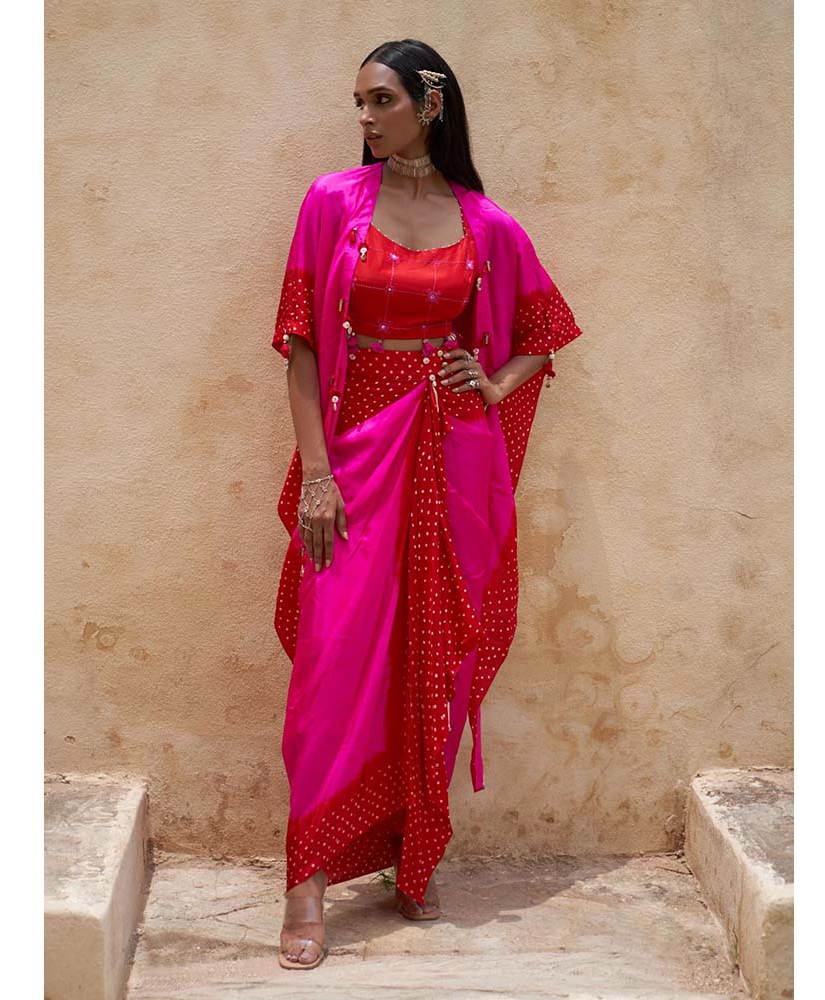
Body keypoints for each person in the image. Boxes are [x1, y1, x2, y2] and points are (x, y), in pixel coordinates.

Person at [270, 39, 585, 969]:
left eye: (382, 100)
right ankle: (306, 879)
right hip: (352, 457)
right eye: (359, 103)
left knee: (434, 657)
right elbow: (301, 343)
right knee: (329, 662)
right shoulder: (332, 203)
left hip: (449, 460)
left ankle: (413, 853)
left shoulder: (486, 224)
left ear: (431, 104)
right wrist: (317, 472)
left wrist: (491, 384)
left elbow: (544, 331)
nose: (366, 118)